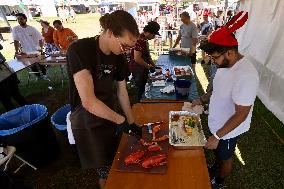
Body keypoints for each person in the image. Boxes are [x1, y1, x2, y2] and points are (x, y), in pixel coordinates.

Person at [66, 10, 142, 189]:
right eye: (125, 46)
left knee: (117, 160)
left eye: (131, 48)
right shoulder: (79, 50)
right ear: (109, 33)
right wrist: (121, 120)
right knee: (106, 170)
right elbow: (89, 101)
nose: (127, 51)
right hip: (87, 119)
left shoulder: (119, 57)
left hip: (110, 114)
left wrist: (131, 123)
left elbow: (122, 92)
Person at [191, 12, 259, 189]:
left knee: (226, 157)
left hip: (228, 130)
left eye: (214, 57)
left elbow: (242, 114)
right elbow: (216, 89)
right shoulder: (225, 64)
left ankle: (219, 182)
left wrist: (217, 136)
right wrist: (202, 98)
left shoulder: (246, 75)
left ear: (229, 52)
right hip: (217, 123)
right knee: (218, 154)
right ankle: (215, 167)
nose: (213, 61)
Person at [130, 21, 160, 101]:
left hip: (142, 68)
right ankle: (139, 104)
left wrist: (154, 65)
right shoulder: (140, 40)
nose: (154, 37)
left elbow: (147, 55)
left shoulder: (144, 39)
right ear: (149, 33)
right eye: (154, 35)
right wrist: (148, 66)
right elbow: (137, 58)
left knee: (143, 86)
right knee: (140, 89)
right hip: (138, 69)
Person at [12, 13, 47, 79]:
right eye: (18, 19)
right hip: (26, 51)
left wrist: (40, 48)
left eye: (21, 19)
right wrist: (16, 51)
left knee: (41, 63)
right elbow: (16, 41)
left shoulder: (32, 28)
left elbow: (40, 39)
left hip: (36, 50)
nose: (19, 20)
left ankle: (45, 75)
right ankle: (38, 76)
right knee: (31, 65)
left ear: (25, 19)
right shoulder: (15, 29)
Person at [0, 44, 27, 112]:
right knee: (11, 97)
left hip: (5, 73)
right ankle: (26, 112)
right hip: (6, 72)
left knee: (8, 98)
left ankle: (26, 112)